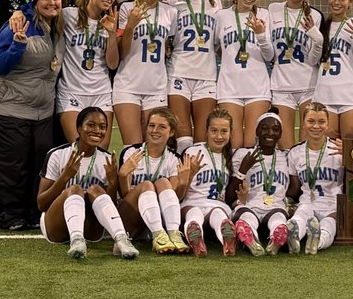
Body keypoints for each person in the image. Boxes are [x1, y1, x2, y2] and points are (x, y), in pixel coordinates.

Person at [0, 0, 65, 231]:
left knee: (38, 164)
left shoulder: (58, 26)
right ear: (35, 2)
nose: (52, 2)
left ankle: (31, 213)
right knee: (11, 167)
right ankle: (11, 215)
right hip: (4, 107)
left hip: (40, 110)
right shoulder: (19, 24)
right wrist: (17, 45)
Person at [37, 105, 138, 260]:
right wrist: (65, 177)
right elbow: (42, 204)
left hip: (91, 229)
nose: (97, 130)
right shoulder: (58, 155)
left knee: (96, 189)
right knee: (75, 189)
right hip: (56, 225)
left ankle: (121, 240)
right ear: (79, 128)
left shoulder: (106, 159)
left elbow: (109, 207)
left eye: (102, 127)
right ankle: (76, 240)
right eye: (91, 125)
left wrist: (112, 183)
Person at [113, 0, 174, 147]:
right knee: (133, 148)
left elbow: (169, 48)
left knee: (154, 147)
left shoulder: (170, 12)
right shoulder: (126, 8)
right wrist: (130, 25)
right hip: (128, 86)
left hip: (156, 88)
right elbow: (122, 53)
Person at [56, 0, 119, 143]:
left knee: (100, 151)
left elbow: (112, 65)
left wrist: (112, 34)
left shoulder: (109, 22)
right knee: (80, 147)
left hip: (102, 92)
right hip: (71, 91)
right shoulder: (68, 15)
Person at [167, 0, 222, 152]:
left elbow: (218, 44)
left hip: (206, 76)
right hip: (178, 73)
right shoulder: (174, 4)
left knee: (200, 141)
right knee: (183, 140)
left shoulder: (215, 4)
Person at [215, 0, 275, 149]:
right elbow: (215, 47)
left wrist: (261, 36)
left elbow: (269, 56)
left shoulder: (264, 15)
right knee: (232, 142)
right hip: (229, 88)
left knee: (251, 143)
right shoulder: (221, 16)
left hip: (257, 88)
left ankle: (247, 177)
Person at [117, 106, 186, 254]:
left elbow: (174, 198)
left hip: (159, 217)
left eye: (162, 127)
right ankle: (159, 235)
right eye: (151, 125)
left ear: (171, 132)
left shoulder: (174, 158)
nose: (155, 131)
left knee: (162, 183)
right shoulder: (131, 152)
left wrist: (185, 181)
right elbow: (125, 195)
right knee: (147, 185)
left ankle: (173, 234)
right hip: (131, 218)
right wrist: (123, 175)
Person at [308, 0, 353, 143]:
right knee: (327, 147)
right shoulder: (319, 26)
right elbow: (312, 61)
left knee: (350, 146)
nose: (337, 2)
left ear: (350, 3)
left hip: (350, 96)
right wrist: (317, 41)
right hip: (324, 95)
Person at [266, 0, 322, 145]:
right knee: (286, 148)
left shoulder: (315, 15)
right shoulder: (272, 10)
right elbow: (268, 52)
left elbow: (314, 59)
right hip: (281, 87)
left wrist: (316, 38)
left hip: (308, 86)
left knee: (308, 146)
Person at [232, 112, 298, 256]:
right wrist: (243, 169)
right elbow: (230, 194)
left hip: (276, 206)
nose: (270, 133)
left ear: (281, 133)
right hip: (249, 205)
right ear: (256, 131)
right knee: (247, 218)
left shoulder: (286, 156)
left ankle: (278, 235)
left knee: (278, 218)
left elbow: (293, 190)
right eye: (264, 128)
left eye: (275, 129)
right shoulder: (243, 154)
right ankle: (249, 237)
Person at [285, 101, 344, 255]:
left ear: (328, 124)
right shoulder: (295, 152)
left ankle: (317, 242)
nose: (316, 126)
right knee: (302, 213)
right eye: (311, 121)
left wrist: (349, 156)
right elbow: (294, 187)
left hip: (333, 204)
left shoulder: (339, 149)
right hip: (308, 202)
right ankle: (294, 234)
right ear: (303, 124)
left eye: (321, 122)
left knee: (330, 223)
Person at [180, 107, 238, 256]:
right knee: (194, 214)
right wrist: (190, 174)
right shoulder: (192, 152)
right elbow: (179, 192)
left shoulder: (230, 157)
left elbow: (230, 193)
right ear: (206, 131)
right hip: (191, 202)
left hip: (217, 203)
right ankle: (195, 236)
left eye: (224, 131)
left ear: (231, 132)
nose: (219, 136)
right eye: (214, 131)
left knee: (219, 214)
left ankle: (227, 241)